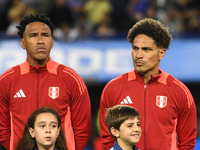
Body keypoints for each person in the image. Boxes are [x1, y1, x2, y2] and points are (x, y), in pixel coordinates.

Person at [99, 18, 197, 150]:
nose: (138, 55)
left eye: (146, 49)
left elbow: (188, 142)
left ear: (161, 53)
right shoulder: (113, 88)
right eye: (135, 48)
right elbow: (107, 137)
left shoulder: (179, 91)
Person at [0, 13, 91, 150]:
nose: (40, 40)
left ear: (52, 42)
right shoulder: (6, 80)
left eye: (45, 35)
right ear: (23, 43)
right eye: (33, 35)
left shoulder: (71, 78)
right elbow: (2, 130)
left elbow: (83, 129)